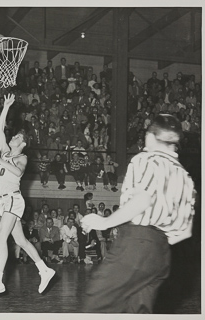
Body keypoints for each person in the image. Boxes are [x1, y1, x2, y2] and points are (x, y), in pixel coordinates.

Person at [81, 114, 196, 313]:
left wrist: (105, 222)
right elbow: (184, 232)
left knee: (94, 304)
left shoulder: (146, 159)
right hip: (162, 255)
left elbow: (143, 200)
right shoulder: (186, 178)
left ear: (151, 136)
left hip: (137, 244)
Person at [0, 94, 55, 300]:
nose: (13, 137)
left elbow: (18, 173)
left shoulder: (22, 157)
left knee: (1, 238)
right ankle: (44, 270)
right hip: (5, 201)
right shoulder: (5, 152)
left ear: (23, 144)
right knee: (20, 240)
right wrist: (5, 107)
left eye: (18, 137)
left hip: (13, 199)